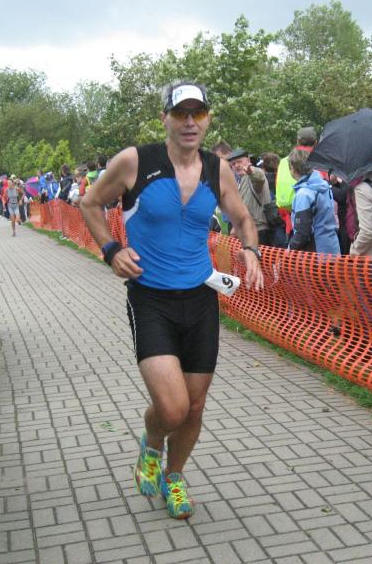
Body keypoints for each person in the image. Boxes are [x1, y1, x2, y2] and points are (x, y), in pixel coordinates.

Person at [79, 80, 264, 520]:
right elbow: (89, 203)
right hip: (151, 299)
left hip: (200, 299)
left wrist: (251, 250)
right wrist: (111, 249)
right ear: (165, 117)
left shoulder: (217, 169)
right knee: (173, 406)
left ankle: (174, 476)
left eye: (198, 113)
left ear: (207, 119)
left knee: (194, 407)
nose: (189, 122)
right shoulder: (135, 161)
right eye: (181, 113)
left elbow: (243, 217)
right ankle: (151, 443)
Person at [287, 149, 340, 254]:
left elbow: (302, 232)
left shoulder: (304, 194)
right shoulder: (324, 186)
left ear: (293, 168)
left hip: (314, 253)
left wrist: (289, 250)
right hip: (332, 248)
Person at [276, 127, 318, 236]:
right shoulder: (318, 160)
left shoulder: (284, 161)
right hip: (315, 225)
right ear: (316, 142)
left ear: (297, 141)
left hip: (290, 221)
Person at [228, 148, 274, 246]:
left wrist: (251, 172)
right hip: (248, 230)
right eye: (233, 164)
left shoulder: (255, 173)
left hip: (259, 229)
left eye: (239, 162)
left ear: (248, 161)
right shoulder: (240, 180)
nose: (236, 165)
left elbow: (259, 179)